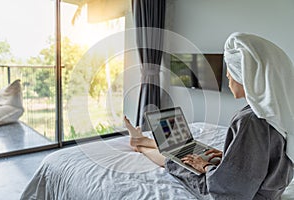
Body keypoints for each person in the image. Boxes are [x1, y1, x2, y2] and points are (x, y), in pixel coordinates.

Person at [124, 32, 294, 200]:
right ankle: (142, 140)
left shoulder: (250, 120)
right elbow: (264, 157)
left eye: (230, 72)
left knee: (178, 161)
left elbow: (231, 189)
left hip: (243, 193)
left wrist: (205, 166)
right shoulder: (278, 113)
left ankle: (139, 147)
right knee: (186, 147)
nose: (227, 76)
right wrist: (226, 157)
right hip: (263, 187)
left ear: (245, 76)